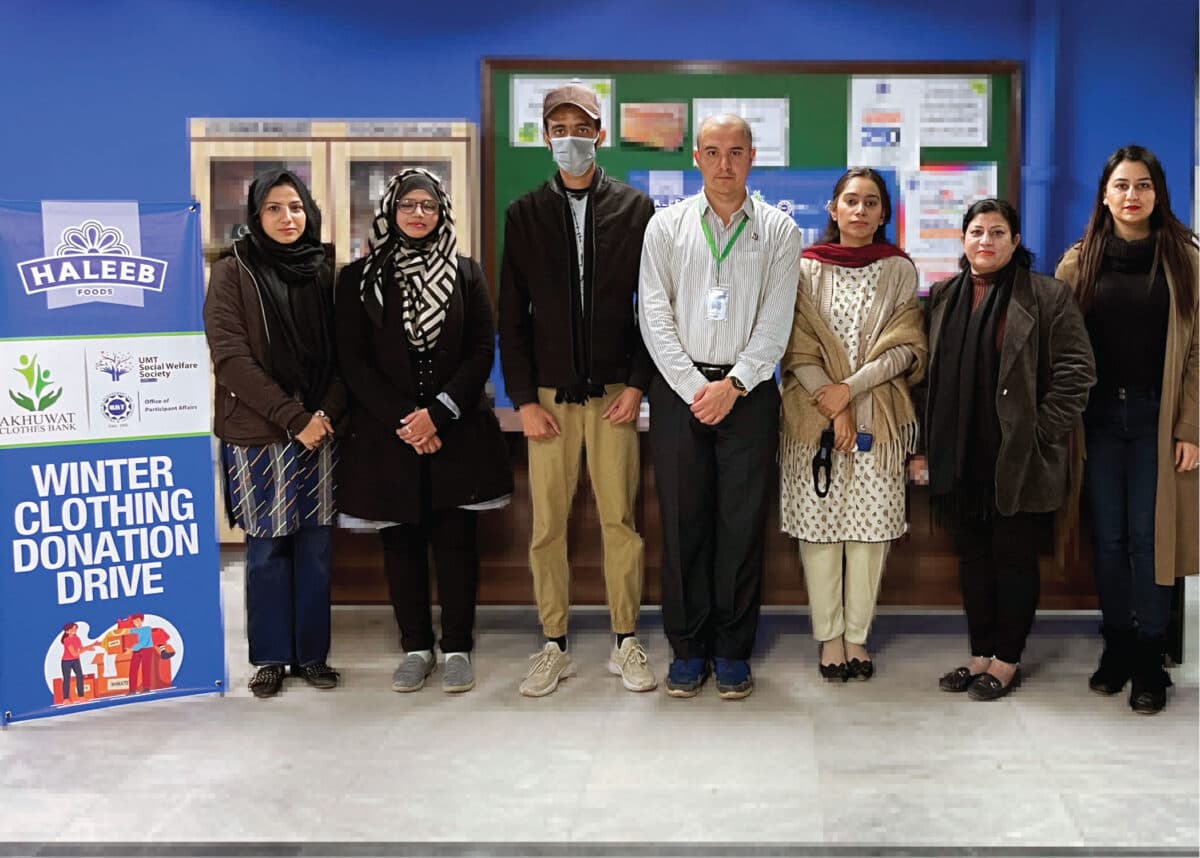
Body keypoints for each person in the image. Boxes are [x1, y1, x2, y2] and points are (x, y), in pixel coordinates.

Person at [499, 83, 658, 697]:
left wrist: (639, 385)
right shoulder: (524, 213)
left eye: (581, 126)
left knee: (620, 520)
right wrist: (525, 401)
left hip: (616, 394)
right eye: (557, 127)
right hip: (550, 402)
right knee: (547, 526)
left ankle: (626, 641)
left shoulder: (635, 210)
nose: (569, 138)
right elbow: (512, 317)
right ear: (545, 136)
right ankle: (553, 645)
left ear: (600, 133)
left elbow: (656, 309)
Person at [639, 113, 801, 699]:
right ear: (697, 159)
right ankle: (686, 650)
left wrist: (733, 385)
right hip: (680, 393)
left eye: (736, 152)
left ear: (752, 158)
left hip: (750, 394)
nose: (724, 163)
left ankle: (732, 651)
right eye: (713, 151)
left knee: (740, 526)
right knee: (683, 524)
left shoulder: (780, 231)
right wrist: (693, 388)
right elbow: (653, 316)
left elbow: (776, 321)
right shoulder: (665, 227)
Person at [337, 167, 512, 694]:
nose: (418, 214)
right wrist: (407, 420)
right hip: (387, 436)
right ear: (390, 210)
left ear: (442, 213)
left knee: (457, 541)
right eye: (409, 205)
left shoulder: (466, 273)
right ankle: (416, 646)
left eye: (429, 206)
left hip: (456, 431)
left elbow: (482, 348)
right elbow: (353, 360)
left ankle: (457, 647)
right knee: (402, 544)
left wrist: (437, 412)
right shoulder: (357, 278)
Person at [911, 199, 1095, 700]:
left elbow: (1078, 372)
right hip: (960, 452)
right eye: (976, 231)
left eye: (997, 232)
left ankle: (1007, 660)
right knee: (972, 555)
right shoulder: (945, 295)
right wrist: (925, 448)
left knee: (1014, 557)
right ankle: (979, 654)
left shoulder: (1046, 296)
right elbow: (926, 383)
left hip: (1020, 455)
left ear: (1015, 242)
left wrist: (1039, 433)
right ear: (963, 240)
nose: (985, 241)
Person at [1055, 145, 1198, 714]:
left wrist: (1190, 426)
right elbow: (1056, 345)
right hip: (1097, 423)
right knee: (1109, 539)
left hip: (1157, 422)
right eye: (1121, 186)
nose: (1131, 196)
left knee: (1151, 539)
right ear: (1105, 194)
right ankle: (1116, 646)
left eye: (1142, 185)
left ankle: (1149, 659)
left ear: (1157, 193)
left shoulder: (1185, 261)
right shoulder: (1079, 261)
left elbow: (1197, 356)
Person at [779, 168, 927, 682]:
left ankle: (858, 637)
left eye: (871, 203)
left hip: (879, 422)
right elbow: (794, 346)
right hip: (811, 420)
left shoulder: (899, 271)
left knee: (870, 534)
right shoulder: (802, 269)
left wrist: (852, 390)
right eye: (851, 201)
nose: (860, 211)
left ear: (883, 214)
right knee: (820, 532)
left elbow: (906, 345)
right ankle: (829, 638)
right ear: (833, 209)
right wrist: (833, 403)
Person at [204, 169, 344, 699]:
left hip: (320, 432)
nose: (288, 219)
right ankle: (269, 657)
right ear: (255, 216)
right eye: (275, 209)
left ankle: (311, 655)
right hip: (261, 432)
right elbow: (231, 358)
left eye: (296, 208)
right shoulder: (232, 271)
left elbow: (344, 354)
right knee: (267, 548)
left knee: (315, 547)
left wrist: (324, 413)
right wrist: (293, 417)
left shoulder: (324, 270)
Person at [60, 622, 86, 702]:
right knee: (67, 679)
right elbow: (74, 653)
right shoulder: (66, 640)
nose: (74, 630)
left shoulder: (77, 638)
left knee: (80, 676)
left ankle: (81, 696)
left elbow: (81, 649)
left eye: (75, 629)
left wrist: (91, 646)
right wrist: (86, 649)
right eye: (72, 629)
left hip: (76, 660)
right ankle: (66, 698)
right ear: (67, 631)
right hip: (66, 661)